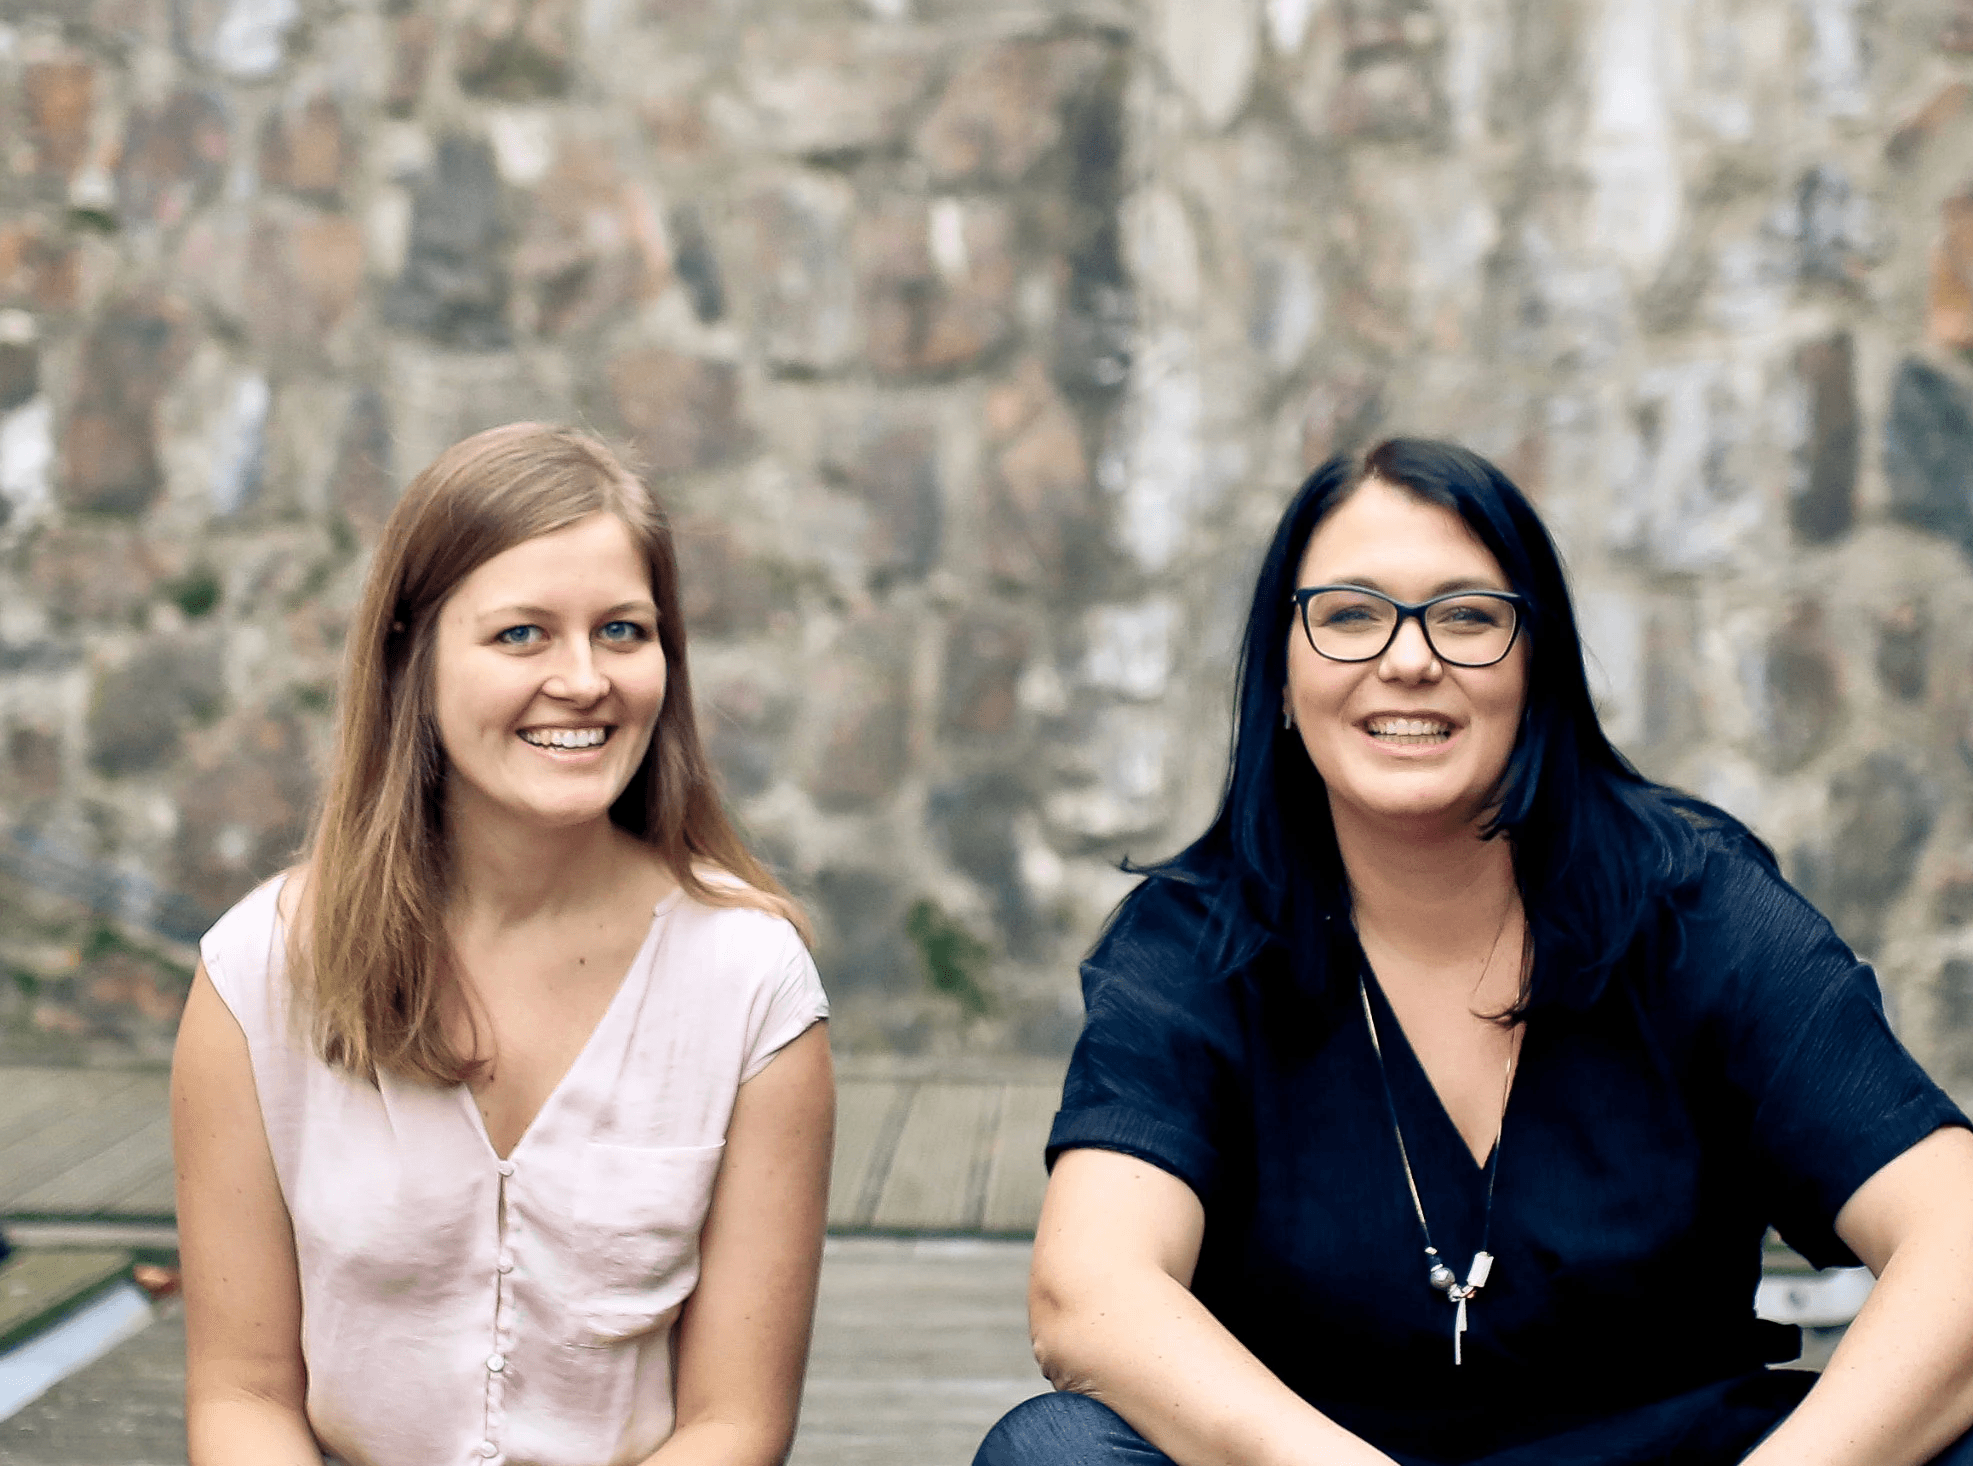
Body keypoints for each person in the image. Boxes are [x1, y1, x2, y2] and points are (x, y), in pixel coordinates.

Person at [975, 438, 1973, 1466]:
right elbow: (1089, 1292)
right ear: (1279, 674)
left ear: (1538, 670)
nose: (1408, 659)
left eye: (1465, 616)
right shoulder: (1195, 946)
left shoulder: (1695, 910)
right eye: (1348, 615)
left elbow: (1958, 1237)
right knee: (1056, 1451)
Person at [172, 423, 833, 1466]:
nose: (584, 679)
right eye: (522, 634)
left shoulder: (753, 983)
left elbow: (734, 1423)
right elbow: (242, 1394)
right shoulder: (255, 974)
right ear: (412, 655)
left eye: (622, 631)